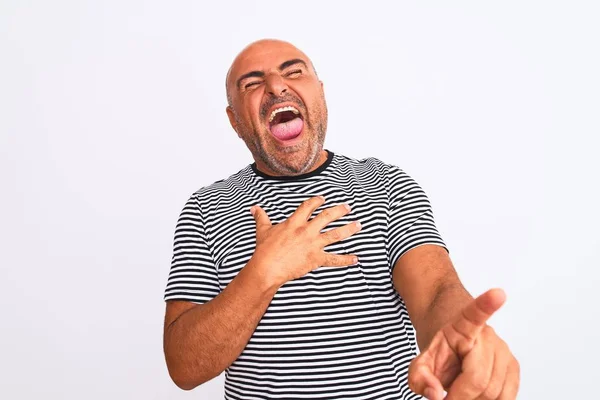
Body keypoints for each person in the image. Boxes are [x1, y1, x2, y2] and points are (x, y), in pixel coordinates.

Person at [162, 38, 520, 400]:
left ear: (320, 93)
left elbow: (434, 292)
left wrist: (459, 339)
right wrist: (263, 274)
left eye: (294, 71)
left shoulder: (387, 185)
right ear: (235, 120)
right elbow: (184, 367)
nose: (275, 85)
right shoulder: (206, 207)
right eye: (252, 83)